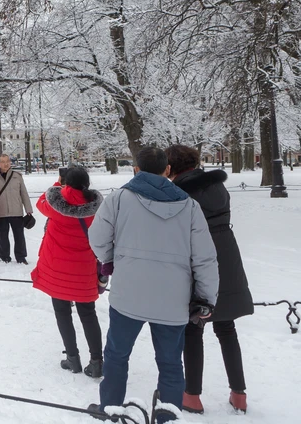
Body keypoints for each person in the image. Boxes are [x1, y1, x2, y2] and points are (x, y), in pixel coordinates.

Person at [87, 147, 219, 423]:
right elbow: (205, 257)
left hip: (128, 293)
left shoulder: (119, 198)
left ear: (136, 169)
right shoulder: (189, 206)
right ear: (167, 170)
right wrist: (207, 297)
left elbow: (98, 237)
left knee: (116, 355)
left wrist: (111, 260)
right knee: (170, 362)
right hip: (173, 299)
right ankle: (168, 417)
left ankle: (111, 407)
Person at [166, 145, 252, 415]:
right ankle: (239, 394)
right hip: (226, 255)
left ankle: (192, 395)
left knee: (193, 328)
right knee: (226, 328)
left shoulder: (179, 193)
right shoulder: (218, 188)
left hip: (197, 260)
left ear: (171, 167)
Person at [31, 166, 105, 378]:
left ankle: (72, 358)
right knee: (88, 314)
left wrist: (58, 184)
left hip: (57, 269)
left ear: (65, 182)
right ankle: (97, 361)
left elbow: (40, 203)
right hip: (84, 269)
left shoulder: (56, 204)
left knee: (62, 313)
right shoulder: (96, 207)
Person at [0, 155, 34, 263]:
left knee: (19, 236)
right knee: (3, 236)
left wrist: (28, 209)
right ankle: (4, 257)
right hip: (1, 212)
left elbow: (24, 193)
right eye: (2, 162)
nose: (6, 164)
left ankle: (21, 257)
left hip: (16, 211)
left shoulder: (17, 176)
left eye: (7, 161)